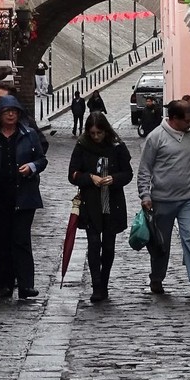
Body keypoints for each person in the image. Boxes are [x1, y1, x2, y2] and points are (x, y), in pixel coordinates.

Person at [0, 94, 48, 300]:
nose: (11, 114)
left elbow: (41, 159)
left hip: (23, 197)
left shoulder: (29, 134)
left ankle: (26, 285)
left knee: (21, 241)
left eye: (14, 111)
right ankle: (4, 284)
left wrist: (31, 167)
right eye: (6, 111)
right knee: (0, 242)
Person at [137, 100, 190, 298]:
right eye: (187, 121)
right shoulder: (156, 138)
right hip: (162, 200)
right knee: (162, 243)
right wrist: (145, 195)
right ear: (174, 118)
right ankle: (157, 278)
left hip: (188, 198)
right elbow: (145, 169)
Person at [68, 109, 134, 302]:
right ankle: (96, 285)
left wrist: (113, 179)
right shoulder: (82, 146)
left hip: (112, 202)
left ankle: (104, 282)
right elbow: (73, 174)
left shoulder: (117, 147)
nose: (96, 137)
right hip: (91, 203)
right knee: (94, 243)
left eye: (99, 133)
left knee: (109, 246)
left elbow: (128, 173)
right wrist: (90, 178)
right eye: (93, 133)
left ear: (106, 131)